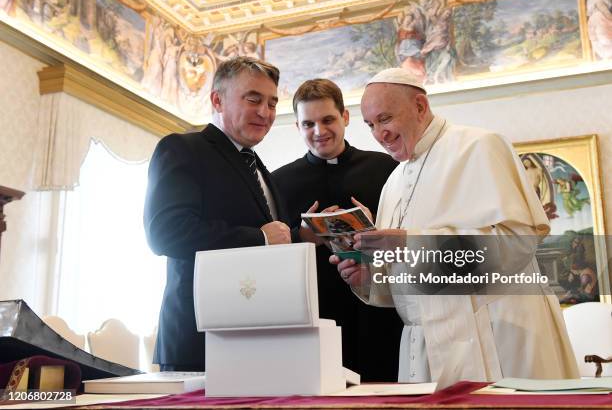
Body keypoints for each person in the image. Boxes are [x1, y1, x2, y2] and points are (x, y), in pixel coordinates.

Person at [333, 68, 579, 383]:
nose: (380, 135)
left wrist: (412, 244)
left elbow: (517, 242)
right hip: (426, 343)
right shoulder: (393, 183)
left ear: (420, 106)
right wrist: (366, 276)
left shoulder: (479, 146)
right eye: (370, 125)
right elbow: (402, 285)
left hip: (497, 333)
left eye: (385, 119)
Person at [144, 56, 296, 371]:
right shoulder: (183, 149)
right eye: (253, 99)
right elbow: (166, 233)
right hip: (200, 341)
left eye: (271, 103)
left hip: (260, 341)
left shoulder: (260, 169)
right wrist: (260, 238)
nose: (265, 112)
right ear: (217, 100)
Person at [272, 79, 403, 381]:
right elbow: (272, 253)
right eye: (308, 124)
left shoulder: (386, 168)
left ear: (344, 117)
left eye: (328, 119)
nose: (319, 131)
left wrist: (375, 226)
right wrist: (300, 234)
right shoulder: (279, 182)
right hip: (313, 315)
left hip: (378, 312)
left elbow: (406, 230)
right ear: (297, 127)